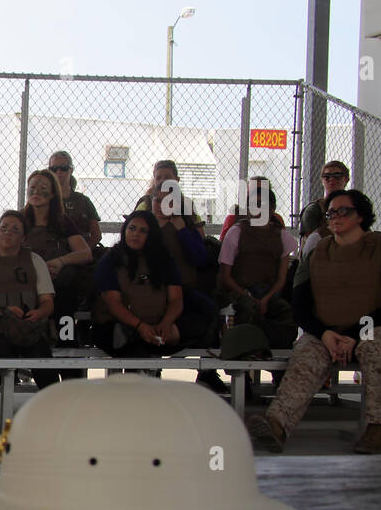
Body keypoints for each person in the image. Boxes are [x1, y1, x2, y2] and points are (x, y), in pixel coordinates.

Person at [247, 189, 381, 454]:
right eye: (330, 212)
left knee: (373, 344)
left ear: (360, 216)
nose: (335, 216)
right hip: (330, 332)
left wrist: (355, 334)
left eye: (343, 211)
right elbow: (300, 307)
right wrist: (324, 334)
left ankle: (376, 430)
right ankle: (276, 426)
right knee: (307, 351)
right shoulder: (316, 254)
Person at [0, 210, 59, 433]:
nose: (8, 233)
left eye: (15, 229)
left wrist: (39, 313)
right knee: (0, 348)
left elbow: (47, 301)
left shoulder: (34, 261)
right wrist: (2, 311)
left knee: (40, 352)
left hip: (28, 325)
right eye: (4, 227)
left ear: (24, 238)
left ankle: (57, 409)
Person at [135, 159, 221, 386]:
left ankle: (207, 373)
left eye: (167, 198)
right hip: (151, 290)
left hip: (183, 288)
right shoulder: (145, 224)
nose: (162, 202)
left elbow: (200, 257)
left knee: (210, 310)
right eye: (157, 198)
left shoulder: (185, 218)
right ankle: (150, 367)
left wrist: (182, 229)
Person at [20, 168, 94, 365]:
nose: (36, 192)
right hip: (27, 285)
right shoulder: (20, 220)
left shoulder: (62, 222)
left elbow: (85, 253)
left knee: (66, 299)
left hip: (57, 287)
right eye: (32, 187)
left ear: (53, 193)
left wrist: (61, 261)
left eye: (43, 188)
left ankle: (68, 349)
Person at [92, 213, 191, 358]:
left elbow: (176, 299)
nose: (135, 234)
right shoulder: (111, 260)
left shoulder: (165, 260)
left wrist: (166, 323)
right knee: (124, 340)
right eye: (131, 228)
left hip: (157, 325)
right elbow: (113, 303)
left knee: (187, 327)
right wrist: (140, 327)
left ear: (152, 235)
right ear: (124, 230)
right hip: (121, 326)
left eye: (143, 231)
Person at [217, 177, 298, 348]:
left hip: (269, 292)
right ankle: (243, 359)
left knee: (284, 312)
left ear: (273, 209)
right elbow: (226, 276)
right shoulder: (236, 232)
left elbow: (281, 278)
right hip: (239, 291)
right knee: (247, 309)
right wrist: (247, 295)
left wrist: (267, 298)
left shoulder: (282, 236)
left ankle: (278, 362)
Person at [48, 150, 101, 250]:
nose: (58, 172)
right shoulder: (45, 201)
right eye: (54, 169)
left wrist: (82, 253)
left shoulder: (83, 201)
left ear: (71, 170)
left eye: (63, 168)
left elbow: (96, 234)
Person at [297, 160, 349, 248]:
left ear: (346, 179)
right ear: (322, 180)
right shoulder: (313, 209)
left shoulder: (354, 207)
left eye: (337, 176)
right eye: (327, 177)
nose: (332, 180)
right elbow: (310, 244)